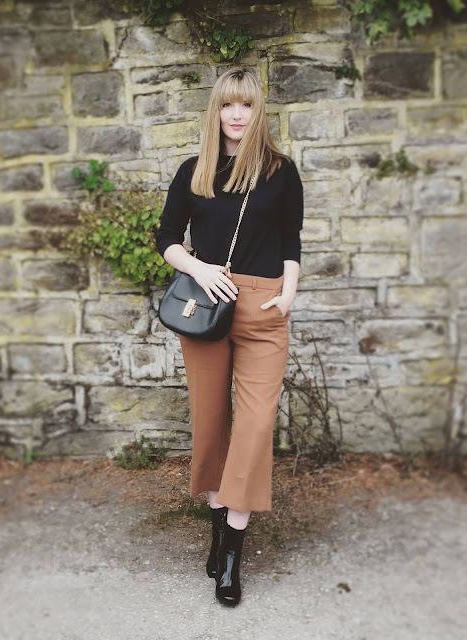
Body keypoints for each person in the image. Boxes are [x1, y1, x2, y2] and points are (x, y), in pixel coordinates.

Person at [155, 66, 304, 607]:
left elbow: (291, 239)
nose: (236, 115)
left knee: (256, 424)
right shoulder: (194, 170)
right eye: (227, 104)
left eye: (246, 105)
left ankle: (233, 551)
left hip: (263, 307)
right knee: (211, 419)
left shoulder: (280, 171)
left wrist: (288, 294)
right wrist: (198, 268)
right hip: (207, 304)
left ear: (258, 111)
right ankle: (219, 528)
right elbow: (166, 238)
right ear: (215, 110)